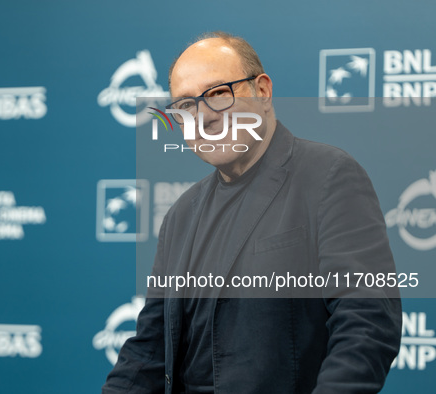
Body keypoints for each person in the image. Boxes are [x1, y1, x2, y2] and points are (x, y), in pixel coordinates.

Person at [102, 31, 401, 394]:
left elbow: (367, 325)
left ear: (262, 91)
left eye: (217, 94)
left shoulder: (328, 176)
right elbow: (148, 351)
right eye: (185, 105)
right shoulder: (180, 216)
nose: (204, 117)